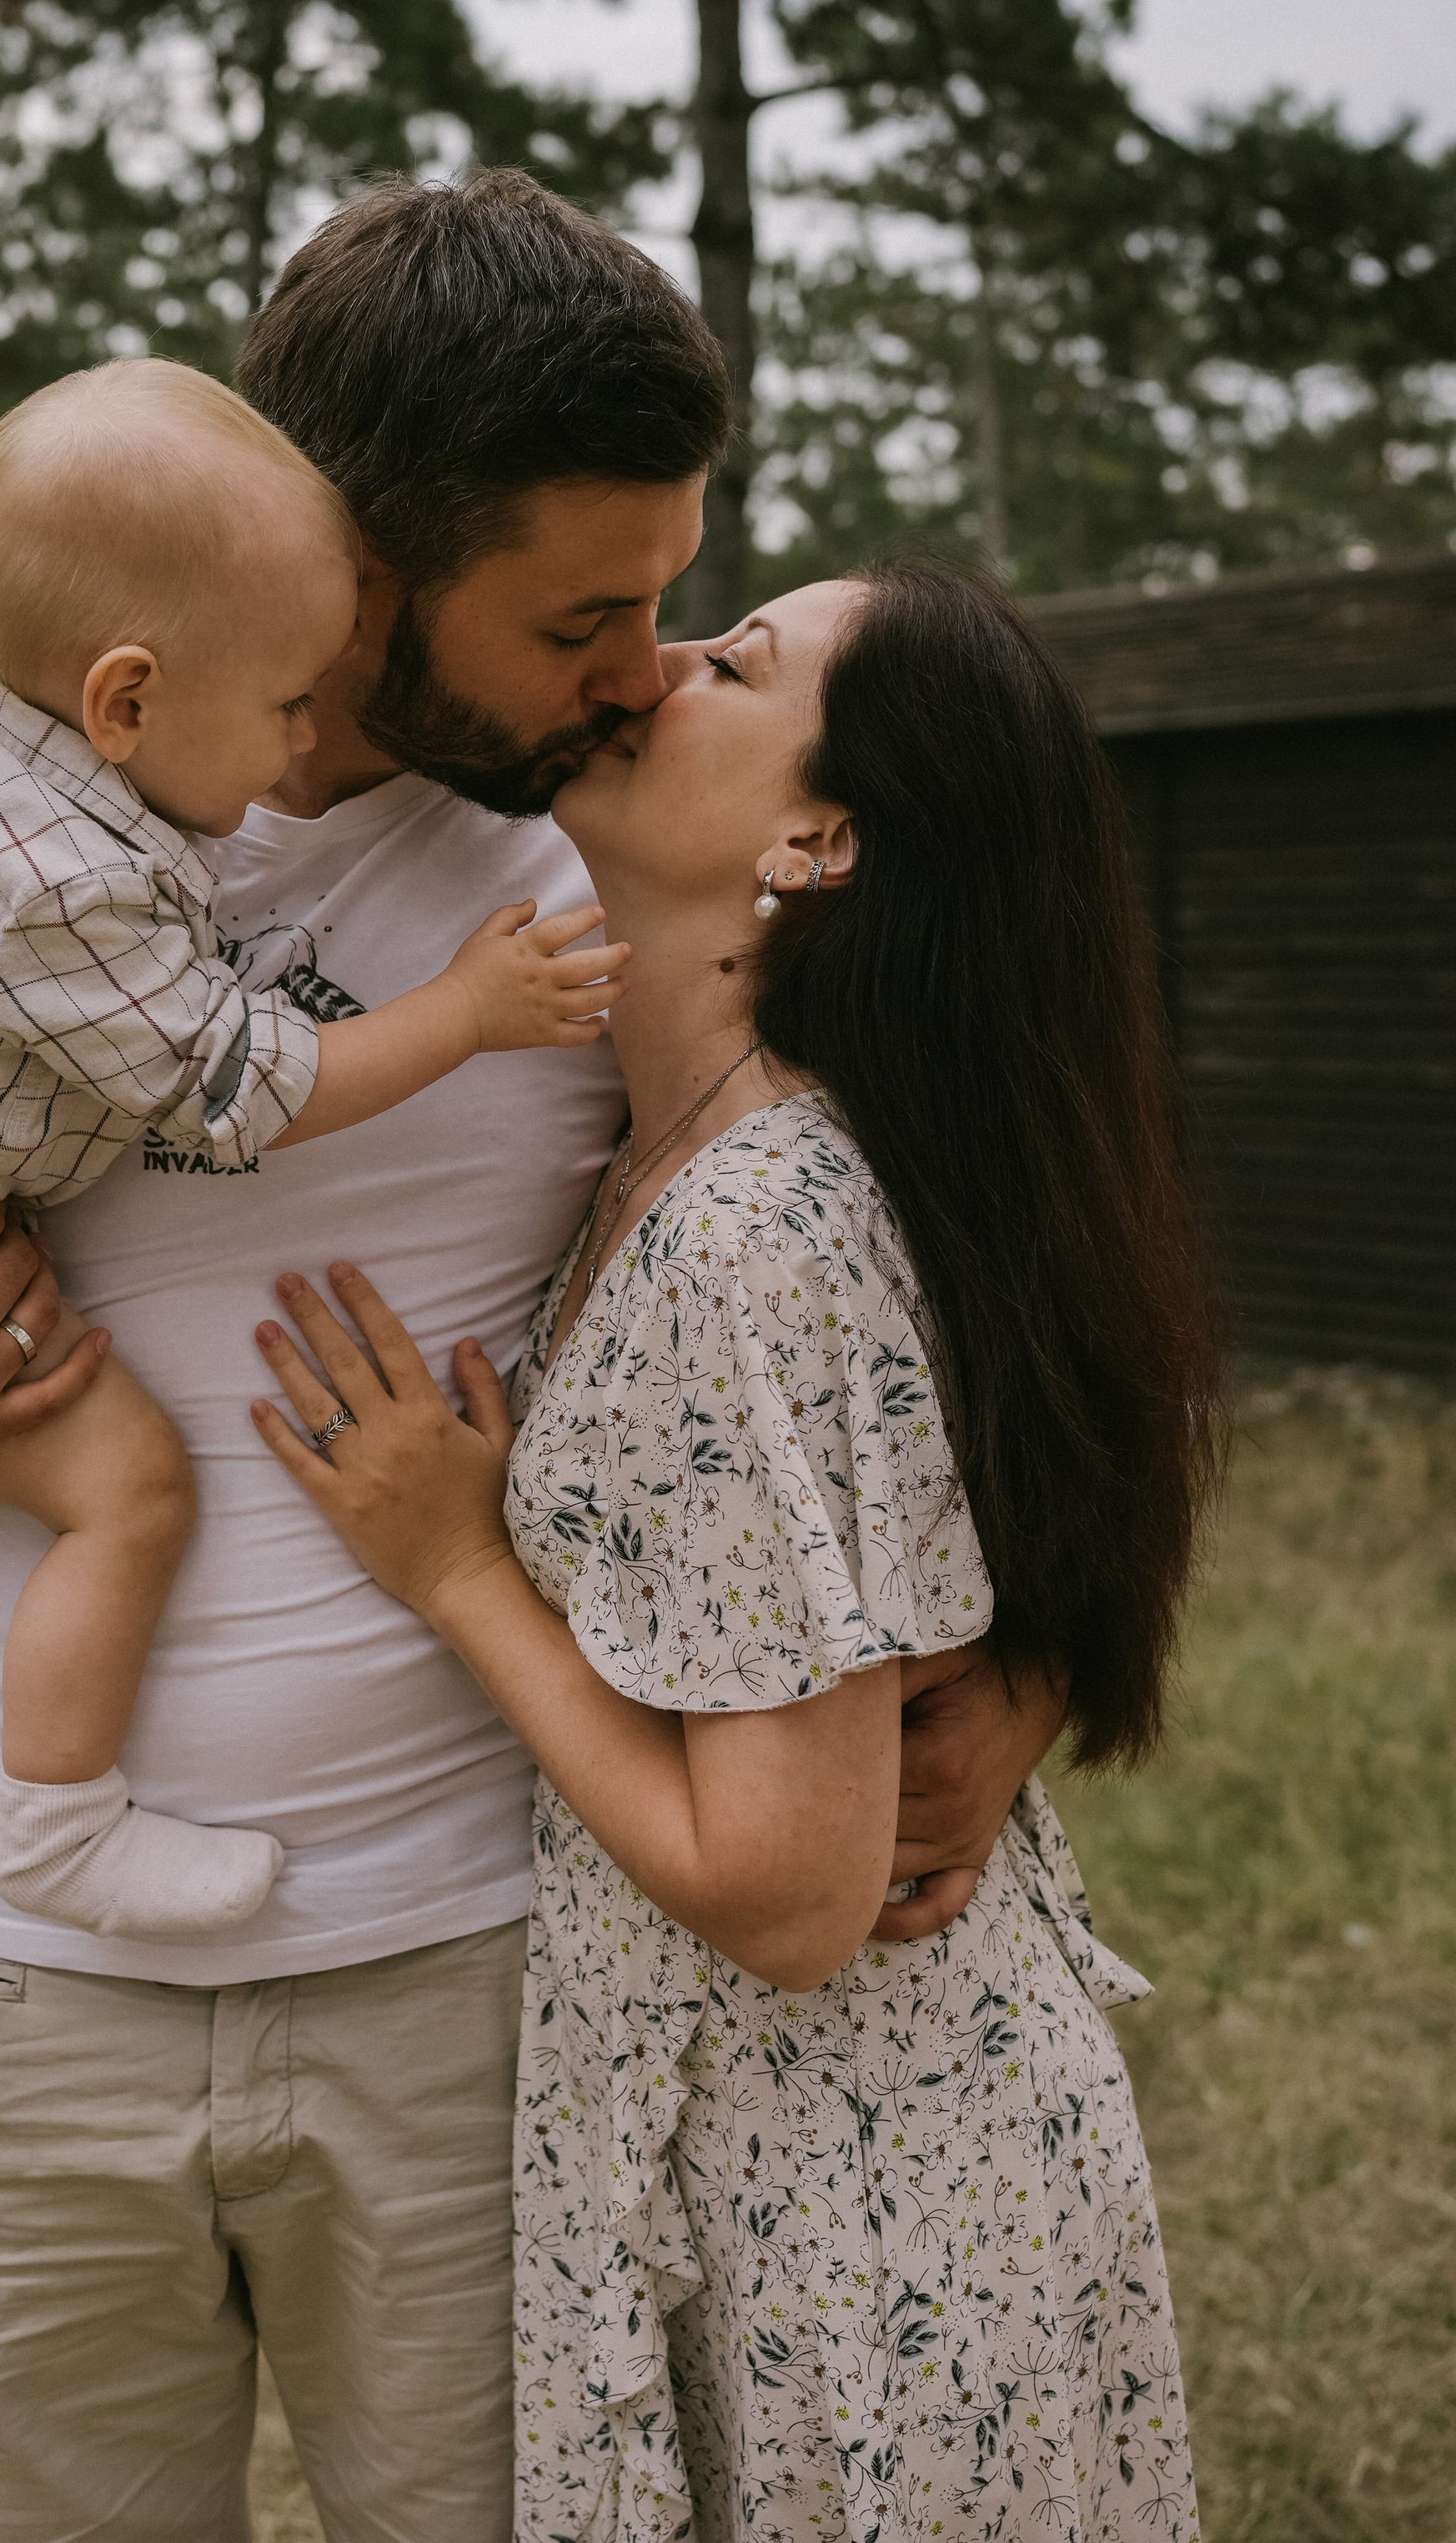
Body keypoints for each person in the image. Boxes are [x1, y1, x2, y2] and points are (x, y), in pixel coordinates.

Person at [0, 173, 1065, 2542]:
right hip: (3, 1977)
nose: (639, 671)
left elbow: (977, 1266)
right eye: (579, 617)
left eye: (661, 607)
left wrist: (1029, 1650)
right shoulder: (18, 806)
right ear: (371, 563)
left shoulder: (613, 869)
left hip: (465, 1981)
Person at [252, 564, 1221, 2540]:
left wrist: (452, 1567)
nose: (656, 662)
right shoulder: (728, 1152)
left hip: (858, 2217)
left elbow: (784, 1897)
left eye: (736, 661)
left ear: (815, 838)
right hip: (850, 2163)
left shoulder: (749, 1234)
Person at [0, 359, 621, 1942]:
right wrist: (465, 1008)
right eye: (288, 699)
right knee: (126, 1487)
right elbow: (239, 1080)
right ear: (125, 698)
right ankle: (58, 1825)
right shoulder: (76, 883)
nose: (305, 723)